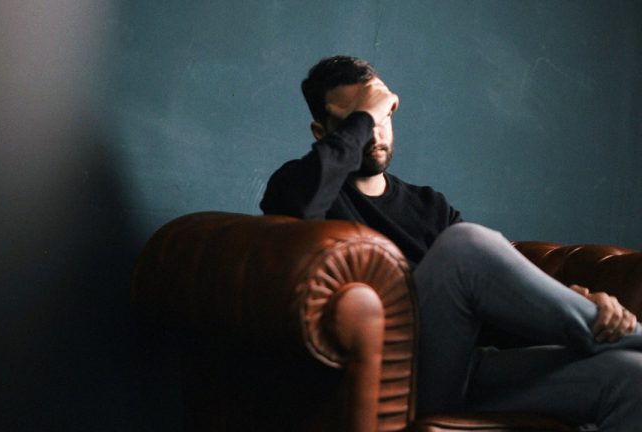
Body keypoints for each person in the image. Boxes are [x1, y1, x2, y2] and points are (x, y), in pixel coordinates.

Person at [260, 55, 642, 430]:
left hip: (462, 371)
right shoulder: (299, 185)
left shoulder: (429, 205)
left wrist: (573, 301)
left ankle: (608, 335)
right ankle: (621, 336)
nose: (375, 133)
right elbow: (297, 210)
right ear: (322, 132)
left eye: (383, 116)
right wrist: (366, 113)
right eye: (360, 120)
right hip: (394, 382)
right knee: (464, 244)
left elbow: (490, 311)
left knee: (631, 375)